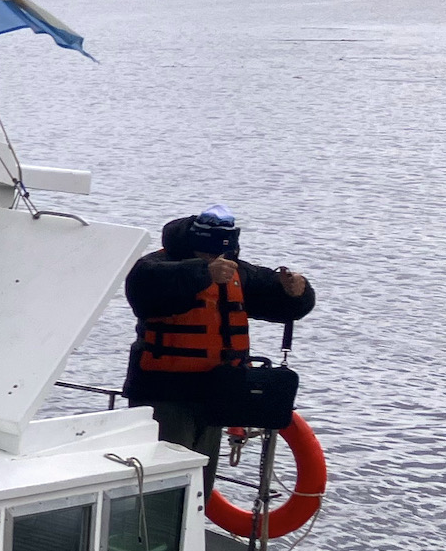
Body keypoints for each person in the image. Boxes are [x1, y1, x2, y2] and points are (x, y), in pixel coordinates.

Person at [123, 204, 315, 493]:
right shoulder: (154, 267)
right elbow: (144, 289)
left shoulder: (236, 272)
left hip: (215, 396)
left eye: (222, 255)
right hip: (164, 396)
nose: (217, 260)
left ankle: (191, 532)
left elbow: (277, 300)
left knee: (199, 485)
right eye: (209, 254)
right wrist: (203, 272)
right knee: (160, 484)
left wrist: (296, 292)